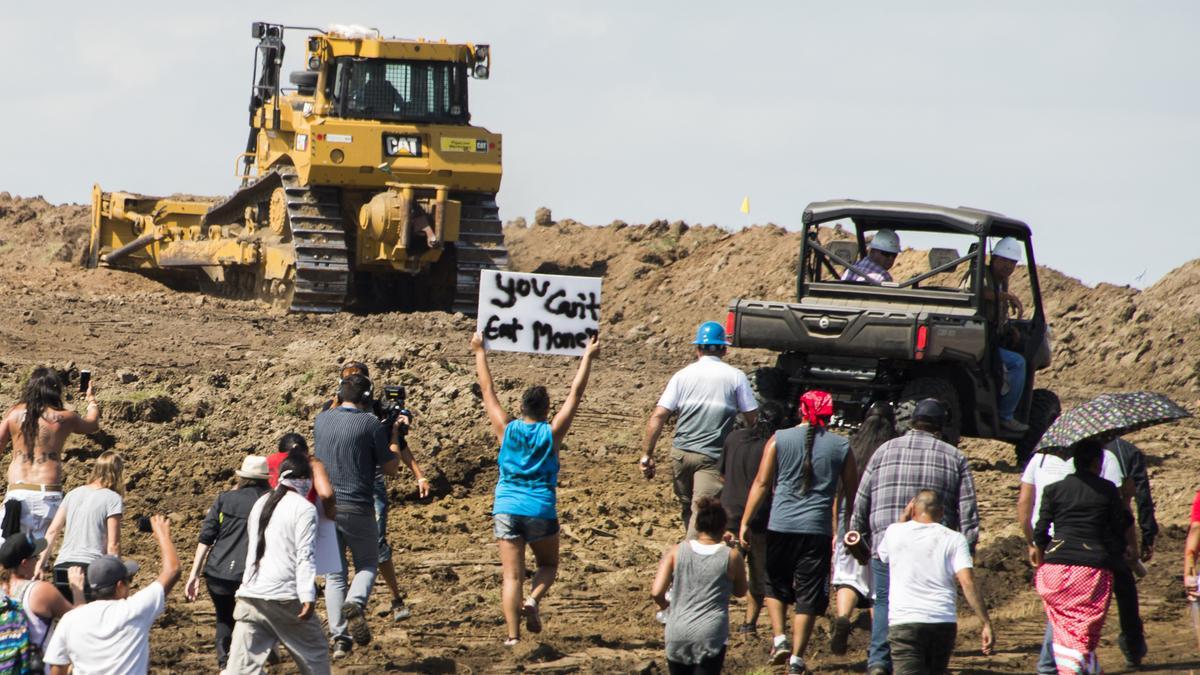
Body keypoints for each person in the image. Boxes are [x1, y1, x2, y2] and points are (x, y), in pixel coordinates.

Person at [472, 331, 599, 646]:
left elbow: (487, 390)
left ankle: (513, 638)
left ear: (521, 407)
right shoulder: (552, 433)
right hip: (540, 507)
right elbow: (576, 393)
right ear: (546, 410)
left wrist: (479, 351)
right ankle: (533, 599)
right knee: (548, 565)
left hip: (506, 507)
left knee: (511, 576)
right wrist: (587, 357)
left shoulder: (506, 428)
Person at [850, 398, 980, 675]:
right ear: (941, 427)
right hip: (934, 545)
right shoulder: (954, 456)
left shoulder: (884, 450)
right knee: (930, 595)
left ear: (911, 422)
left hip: (887, 540)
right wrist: (967, 548)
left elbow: (862, 496)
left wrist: (856, 533)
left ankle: (879, 661)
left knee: (884, 599)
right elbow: (968, 508)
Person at [740, 390, 856, 674]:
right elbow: (850, 493)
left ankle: (779, 639)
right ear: (830, 415)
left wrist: (745, 521)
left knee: (775, 583)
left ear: (802, 412)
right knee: (808, 594)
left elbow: (761, 483)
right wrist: (846, 526)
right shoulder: (841, 446)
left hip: (780, 525)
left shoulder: (779, 439)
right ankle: (797, 659)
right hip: (816, 531)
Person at [323, 361, 429, 622]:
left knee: (377, 546)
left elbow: (400, 445)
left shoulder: (380, 413)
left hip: (369, 484)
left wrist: (419, 474)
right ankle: (355, 607)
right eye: (349, 380)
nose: (353, 383)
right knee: (351, 561)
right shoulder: (332, 411)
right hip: (350, 487)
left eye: (357, 379)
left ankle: (392, 600)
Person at [1017, 443, 1129, 675]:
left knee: (1061, 620)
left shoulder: (1055, 489)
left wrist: (1046, 548)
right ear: (1096, 463)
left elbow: (1041, 529)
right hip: (1091, 568)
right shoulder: (1106, 489)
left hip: (1056, 565)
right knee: (1082, 627)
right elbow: (1119, 525)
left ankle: (1050, 668)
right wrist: (1126, 497)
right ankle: (1070, 668)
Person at [312, 373, 403, 657]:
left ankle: (340, 639)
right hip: (357, 505)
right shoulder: (369, 423)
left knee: (334, 574)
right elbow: (390, 469)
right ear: (366, 398)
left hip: (325, 509)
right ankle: (356, 602)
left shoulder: (321, 419)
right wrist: (395, 437)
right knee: (367, 564)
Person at [640, 321, 758, 538]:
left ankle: (690, 551)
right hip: (711, 457)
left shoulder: (682, 376)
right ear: (724, 349)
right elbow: (753, 419)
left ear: (697, 349)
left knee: (688, 509)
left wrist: (647, 454)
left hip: (680, 455)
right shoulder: (735, 376)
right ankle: (691, 559)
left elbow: (658, 415)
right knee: (701, 513)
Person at [225, 455, 331, 675]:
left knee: (240, 669)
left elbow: (253, 548)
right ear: (304, 479)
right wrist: (307, 595)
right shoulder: (304, 508)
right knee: (316, 655)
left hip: (251, 595)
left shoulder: (261, 502)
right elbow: (304, 554)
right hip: (284, 598)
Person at [43, 514, 180, 675]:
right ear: (119, 585)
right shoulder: (134, 610)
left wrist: (78, 594)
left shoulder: (70, 620)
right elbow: (172, 570)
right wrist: (163, 535)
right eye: (128, 580)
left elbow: (57, 668)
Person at [878, 489, 994, 673]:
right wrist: (985, 622)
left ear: (913, 509)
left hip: (904, 622)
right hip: (942, 620)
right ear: (941, 512)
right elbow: (967, 582)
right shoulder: (955, 539)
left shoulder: (894, 531)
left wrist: (903, 517)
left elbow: (883, 555)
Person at [184, 455, 272, 672]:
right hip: (251, 575)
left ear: (242, 477)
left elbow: (206, 538)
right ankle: (250, 663)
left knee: (224, 618)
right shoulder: (271, 502)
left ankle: (225, 665)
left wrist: (193, 574)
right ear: (265, 479)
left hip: (217, 572)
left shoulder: (225, 499)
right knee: (252, 621)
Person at [0, 367, 101, 544]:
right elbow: (92, 424)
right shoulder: (65, 417)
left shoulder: (14, 413)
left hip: (18, 492)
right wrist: (91, 400)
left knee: (7, 553)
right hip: (48, 494)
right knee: (38, 556)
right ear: (56, 390)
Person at [830, 401, 897, 655]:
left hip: (850, 519)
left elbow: (839, 494)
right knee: (878, 586)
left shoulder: (851, 447)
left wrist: (838, 528)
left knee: (849, 576)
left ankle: (844, 616)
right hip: (882, 519)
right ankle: (878, 645)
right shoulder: (892, 450)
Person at [652, 496, 748, 675]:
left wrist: (666, 607)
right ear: (723, 527)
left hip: (677, 630)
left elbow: (657, 592)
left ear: (697, 525)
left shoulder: (677, 550)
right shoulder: (731, 556)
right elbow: (741, 591)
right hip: (711, 633)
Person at [719, 401, 786, 634]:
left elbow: (722, 475)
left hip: (728, 516)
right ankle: (749, 624)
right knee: (759, 573)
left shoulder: (734, 438)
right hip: (761, 518)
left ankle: (715, 616)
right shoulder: (775, 447)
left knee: (723, 571)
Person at [38, 451, 124, 601]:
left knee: (68, 617)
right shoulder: (113, 499)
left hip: (62, 567)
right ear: (117, 473)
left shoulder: (73, 494)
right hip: (91, 568)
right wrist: (117, 575)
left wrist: (39, 565)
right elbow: (113, 545)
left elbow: (52, 531)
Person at [1106, 437, 1156, 667]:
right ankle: (1133, 649)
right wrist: (1147, 534)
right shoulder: (1126, 452)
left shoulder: (1071, 453)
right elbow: (1141, 496)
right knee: (1125, 593)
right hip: (1114, 537)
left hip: (1075, 538)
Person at [0, 533, 85, 661]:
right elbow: (80, 621)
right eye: (36, 557)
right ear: (24, 563)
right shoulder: (40, 590)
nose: (37, 561)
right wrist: (77, 589)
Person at [977, 236, 1029, 434]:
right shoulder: (982, 274)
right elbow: (980, 293)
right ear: (994, 258)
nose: (1008, 266)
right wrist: (1007, 297)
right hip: (979, 338)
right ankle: (1005, 416)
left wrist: (1009, 328)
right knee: (1017, 363)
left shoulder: (1000, 282)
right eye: (1004, 260)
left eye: (1012, 262)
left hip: (990, 336)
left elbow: (997, 312)